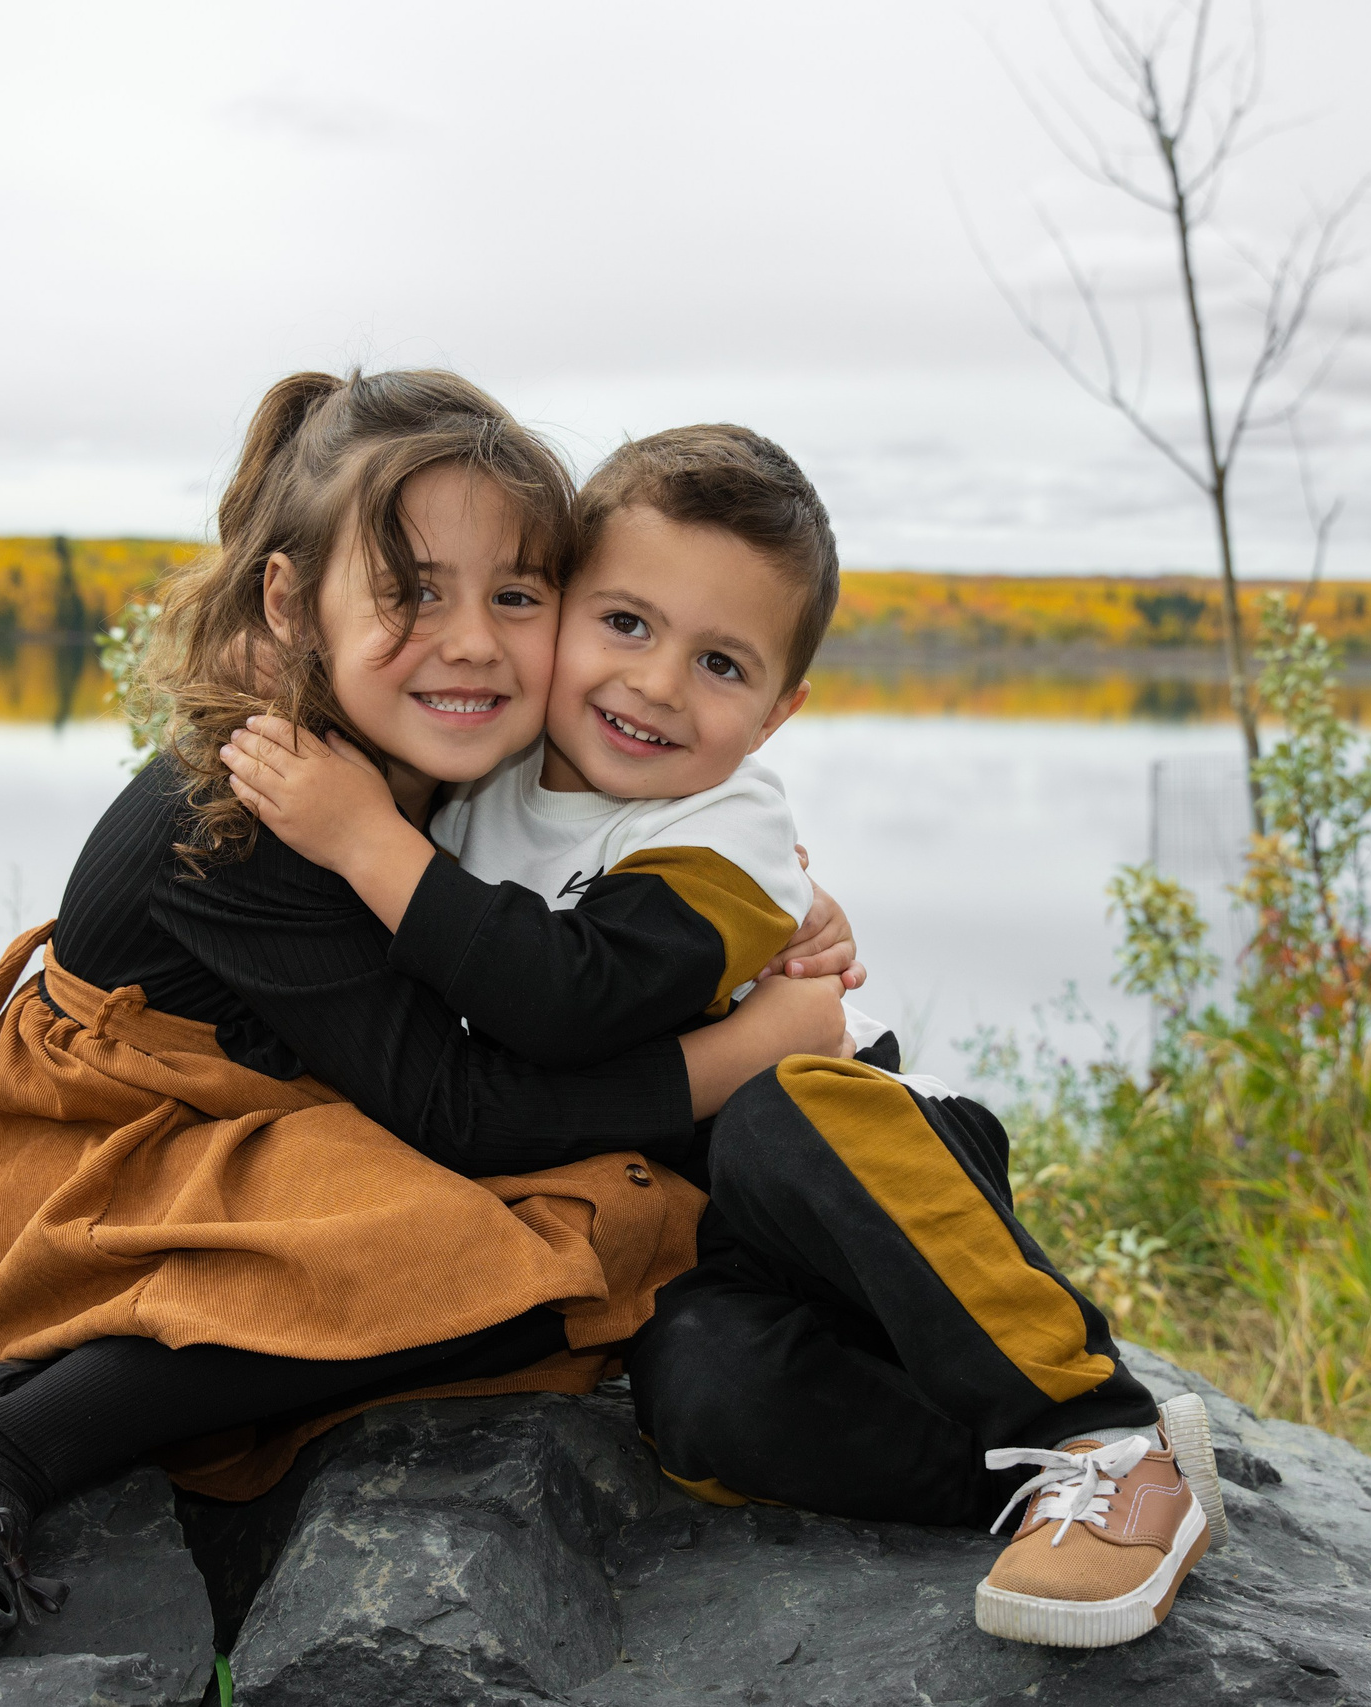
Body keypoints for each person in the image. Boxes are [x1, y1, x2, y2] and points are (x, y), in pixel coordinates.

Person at [0, 372, 852, 1655]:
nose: (472, 640)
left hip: (280, 1117)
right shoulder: (259, 811)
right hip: (117, 1157)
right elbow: (460, 1114)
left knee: (596, 1217)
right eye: (412, 592)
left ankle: (83, 1377)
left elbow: (588, 910)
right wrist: (744, 1050)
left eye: (516, 596)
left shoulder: (418, 759)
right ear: (289, 601)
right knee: (531, 1260)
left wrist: (775, 908)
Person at [221, 423, 1230, 1649]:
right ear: (558, 615)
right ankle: (1016, 1491)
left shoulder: (727, 828)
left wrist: (364, 843)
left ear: (779, 711)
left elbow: (564, 998)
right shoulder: (481, 788)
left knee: (776, 1115)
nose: (654, 686)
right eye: (626, 625)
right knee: (697, 1390)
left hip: (869, 1185)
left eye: (721, 664)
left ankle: (1102, 1437)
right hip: (713, 1245)